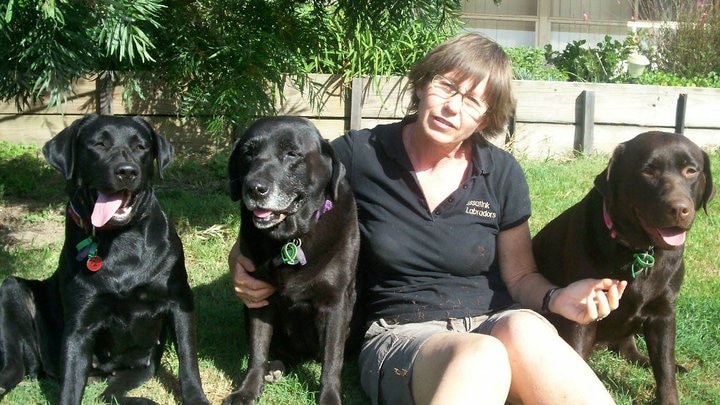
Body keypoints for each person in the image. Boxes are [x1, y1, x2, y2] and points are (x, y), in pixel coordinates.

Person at [229, 33, 627, 405]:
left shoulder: (502, 173)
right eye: (446, 86)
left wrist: (559, 298)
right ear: (421, 85)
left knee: (526, 329)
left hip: (495, 319)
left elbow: (520, 278)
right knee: (481, 355)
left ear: (485, 120)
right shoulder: (360, 155)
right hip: (403, 332)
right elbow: (292, 193)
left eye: (473, 101)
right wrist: (241, 258)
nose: (453, 107)